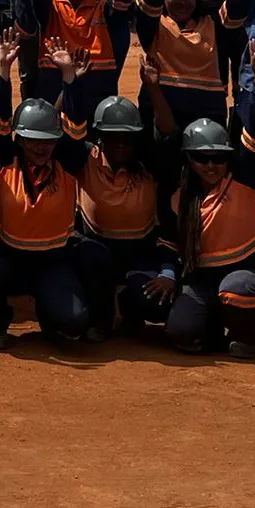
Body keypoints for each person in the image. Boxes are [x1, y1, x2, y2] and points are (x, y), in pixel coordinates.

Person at [0, 20, 90, 349]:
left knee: (74, 322)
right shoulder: (4, 161)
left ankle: (51, 317)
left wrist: (69, 77)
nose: (41, 146)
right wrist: (3, 72)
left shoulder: (66, 163)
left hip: (52, 262)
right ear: (19, 140)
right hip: (9, 259)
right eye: (33, 140)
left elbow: (75, 127)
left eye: (48, 140)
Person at [158, 41, 255, 359]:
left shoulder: (245, 182)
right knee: (182, 332)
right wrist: (168, 274)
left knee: (236, 289)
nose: (211, 165)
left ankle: (247, 333)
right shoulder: (178, 197)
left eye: (218, 158)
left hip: (249, 274)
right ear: (188, 159)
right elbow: (170, 244)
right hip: (201, 279)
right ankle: (211, 324)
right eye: (202, 158)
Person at [66, 65, 175, 341]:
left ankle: (129, 308)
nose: (120, 144)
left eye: (127, 137)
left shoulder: (148, 165)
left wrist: (153, 87)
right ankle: (100, 317)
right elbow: (58, 127)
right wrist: (70, 83)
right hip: (95, 251)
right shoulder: (85, 160)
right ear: (99, 136)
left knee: (157, 304)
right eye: (112, 136)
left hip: (138, 253)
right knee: (92, 257)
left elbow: (169, 135)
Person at [134, 0, 252, 132]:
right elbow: (148, 8)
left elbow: (234, 13)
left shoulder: (212, 25)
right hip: (162, 114)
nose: (182, 2)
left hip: (206, 117)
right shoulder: (155, 26)